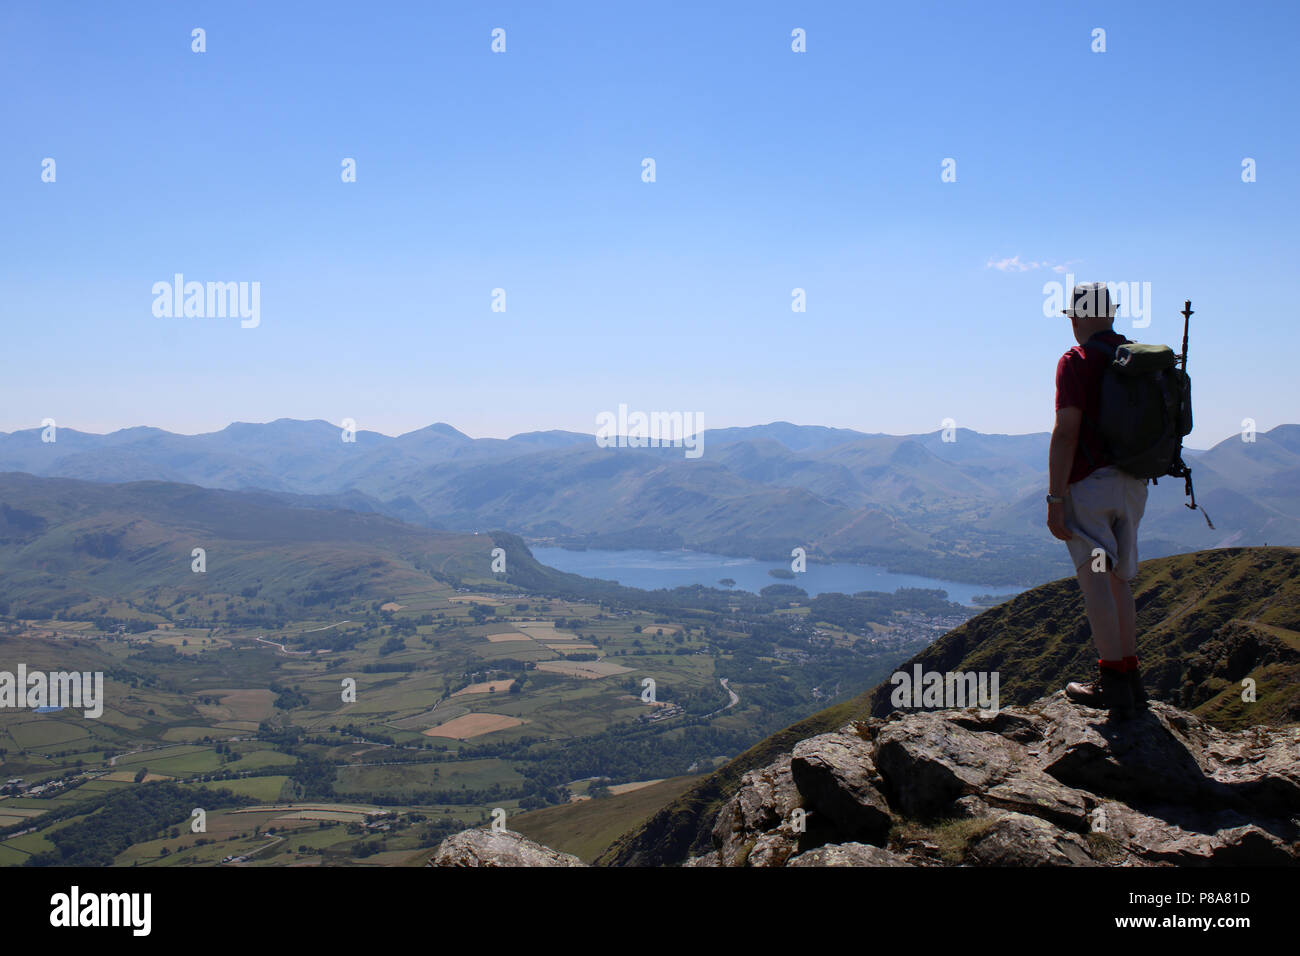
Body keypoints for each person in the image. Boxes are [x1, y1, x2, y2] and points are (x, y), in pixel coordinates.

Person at [1046, 282, 1149, 719]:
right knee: (1118, 577)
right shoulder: (1136, 359)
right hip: (1135, 482)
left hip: (1090, 484)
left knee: (1095, 578)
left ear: (1081, 316)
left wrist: (1055, 496)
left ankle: (1111, 683)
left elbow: (1067, 430)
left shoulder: (1077, 361)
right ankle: (1129, 675)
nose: (1070, 323)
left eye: (1072, 315)